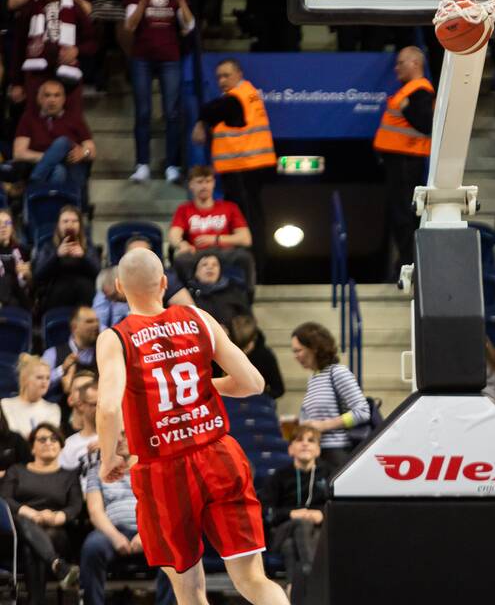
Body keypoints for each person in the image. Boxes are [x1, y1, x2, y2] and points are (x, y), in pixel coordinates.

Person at [95, 247, 288, 605]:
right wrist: (204, 387)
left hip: (162, 471)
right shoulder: (199, 318)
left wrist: (108, 458)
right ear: (164, 283)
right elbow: (253, 384)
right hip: (218, 455)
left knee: (189, 590)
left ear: (120, 287)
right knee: (253, 579)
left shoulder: (115, 337)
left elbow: (107, 408)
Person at [192, 59, 277, 272]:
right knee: (248, 220)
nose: (221, 80)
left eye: (226, 75)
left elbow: (210, 109)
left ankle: (254, 268)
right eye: (218, 76)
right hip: (247, 167)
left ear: (239, 74)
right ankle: (252, 267)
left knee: (247, 222)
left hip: (243, 168)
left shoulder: (236, 98)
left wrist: (200, 123)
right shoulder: (247, 94)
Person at [123, 0, 194, 184]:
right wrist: (143, 1)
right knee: (143, 112)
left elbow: (189, 26)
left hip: (170, 58)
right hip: (142, 58)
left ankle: (171, 165)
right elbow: (130, 26)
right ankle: (142, 164)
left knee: (172, 114)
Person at [370, 46, 434, 279]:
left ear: (415, 64)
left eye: (400, 63)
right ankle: (407, 261)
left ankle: (409, 263)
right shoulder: (409, 89)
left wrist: (407, 109)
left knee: (404, 216)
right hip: (400, 161)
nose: (396, 68)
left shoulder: (420, 90)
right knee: (400, 215)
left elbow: (426, 124)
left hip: (407, 161)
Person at [1, 423, 82, 603]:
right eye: (42, 439)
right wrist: (30, 513)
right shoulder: (17, 471)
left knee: (33, 546)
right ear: (32, 447)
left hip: (57, 532)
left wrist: (55, 517)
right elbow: (5, 499)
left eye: (54, 439)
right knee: (23, 525)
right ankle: (58, 566)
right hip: (17, 535)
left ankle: (36, 600)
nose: (48, 443)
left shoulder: (69, 476)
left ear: (61, 445)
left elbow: (75, 506)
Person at [11, 0, 95, 118]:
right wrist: (17, 82)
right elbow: (19, 44)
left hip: (67, 73)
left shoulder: (76, 8)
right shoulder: (30, 7)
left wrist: (77, 50)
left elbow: (92, 41)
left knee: (72, 121)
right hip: (36, 74)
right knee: (34, 121)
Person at [259, 425, 330, 605]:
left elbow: (336, 508)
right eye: (299, 440)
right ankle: (312, 574)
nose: (305, 444)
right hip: (280, 534)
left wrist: (322, 515)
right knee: (301, 523)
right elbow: (266, 512)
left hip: (315, 537)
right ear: (290, 449)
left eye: (311, 440)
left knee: (292, 546)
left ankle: (292, 590)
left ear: (318, 450)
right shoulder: (278, 477)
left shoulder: (328, 475)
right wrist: (292, 514)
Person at [292, 322, 370, 473]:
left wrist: (324, 426)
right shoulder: (313, 378)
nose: (295, 356)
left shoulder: (337, 372)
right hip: (319, 453)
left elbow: (363, 411)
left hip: (338, 453)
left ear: (314, 348)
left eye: (298, 350)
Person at [80, 431, 143, 605]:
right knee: (92, 547)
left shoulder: (150, 465)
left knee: (172, 546)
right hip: (111, 530)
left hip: (148, 529)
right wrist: (115, 537)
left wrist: (146, 535)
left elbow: (161, 507)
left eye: (125, 434)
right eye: (115, 435)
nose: (121, 439)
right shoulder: (97, 468)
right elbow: (95, 510)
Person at [168, 165, 254, 286]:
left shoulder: (230, 207)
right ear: (191, 185)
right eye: (199, 182)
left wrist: (215, 239)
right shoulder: (184, 209)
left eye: (208, 181)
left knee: (245, 258)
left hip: (224, 252)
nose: (204, 186)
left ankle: (246, 300)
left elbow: (246, 239)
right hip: (197, 253)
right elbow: (173, 235)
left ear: (213, 183)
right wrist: (182, 244)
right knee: (181, 260)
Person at [13, 79, 96, 191]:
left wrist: (84, 153)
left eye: (57, 95)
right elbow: (19, 153)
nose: (52, 100)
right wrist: (54, 157)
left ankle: (35, 183)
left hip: (71, 164)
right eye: (47, 95)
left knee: (63, 143)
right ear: (40, 99)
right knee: (58, 166)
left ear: (63, 99)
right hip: (37, 165)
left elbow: (91, 150)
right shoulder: (29, 118)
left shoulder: (75, 118)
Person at [33, 205, 101, 311]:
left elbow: (99, 274)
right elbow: (38, 275)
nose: (70, 225)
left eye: (74, 221)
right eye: (65, 221)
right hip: (57, 295)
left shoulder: (88, 247)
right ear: (58, 225)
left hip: (85, 295)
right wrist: (56, 256)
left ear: (80, 225)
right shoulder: (49, 246)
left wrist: (83, 257)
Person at [42, 306, 99, 402]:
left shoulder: (102, 354)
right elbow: (39, 385)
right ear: (74, 327)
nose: (96, 325)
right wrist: (62, 370)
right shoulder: (53, 353)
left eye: (97, 321)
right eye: (89, 322)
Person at [1, 356, 61, 438]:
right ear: (25, 379)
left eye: (48, 378)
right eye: (39, 377)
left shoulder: (53, 409)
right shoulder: (5, 404)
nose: (45, 382)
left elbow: (46, 439)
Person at [187, 253, 251, 326]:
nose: (210, 267)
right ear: (196, 273)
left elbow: (248, 322)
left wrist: (231, 331)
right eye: (204, 265)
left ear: (220, 271)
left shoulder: (234, 292)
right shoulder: (187, 295)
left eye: (215, 265)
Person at [230, 314, 285, 399]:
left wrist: (260, 395)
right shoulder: (227, 351)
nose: (243, 352)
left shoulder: (266, 355)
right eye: (239, 347)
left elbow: (278, 389)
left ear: (254, 339)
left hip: (256, 403)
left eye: (246, 347)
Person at [58, 378, 98, 488]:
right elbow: (64, 483)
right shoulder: (69, 444)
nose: (101, 408)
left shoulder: (118, 438)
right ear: (81, 405)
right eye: (94, 404)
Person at [0, 209, 31, 309]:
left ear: (12, 227)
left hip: (20, 297)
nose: (3, 226)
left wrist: (28, 274)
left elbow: (30, 282)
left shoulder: (23, 251)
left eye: (7, 222)